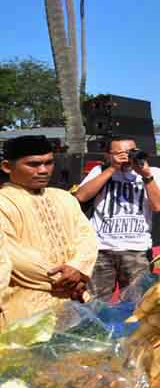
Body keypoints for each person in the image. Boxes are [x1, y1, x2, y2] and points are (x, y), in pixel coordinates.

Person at [0, 135, 97, 322]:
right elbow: (11, 256)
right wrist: (67, 279)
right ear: (7, 166)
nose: (43, 170)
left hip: (74, 301)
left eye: (49, 163)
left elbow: (87, 238)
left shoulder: (64, 197)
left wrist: (77, 268)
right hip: (26, 308)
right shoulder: (4, 202)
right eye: (33, 164)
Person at [73, 137, 160, 301]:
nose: (126, 157)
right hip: (101, 249)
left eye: (130, 152)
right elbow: (81, 196)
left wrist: (146, 176)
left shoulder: (154, 172)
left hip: (137, 249)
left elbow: (159, 206)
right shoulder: (100, 170)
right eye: (119, 153)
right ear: (108, 155)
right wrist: (112, 169)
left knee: (137, 304)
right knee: (93, 304)